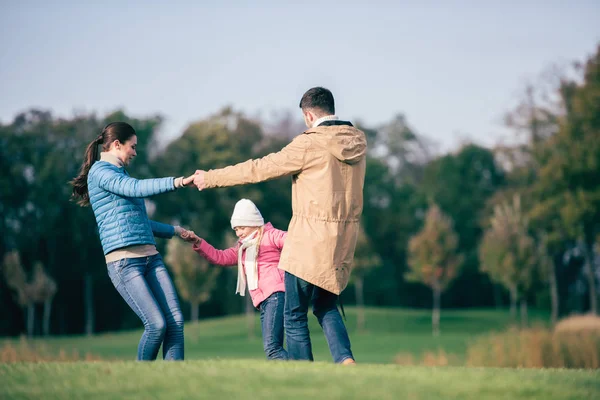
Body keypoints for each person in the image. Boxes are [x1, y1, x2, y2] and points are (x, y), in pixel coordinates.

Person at [193, 87, 366, 364]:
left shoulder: (309, 143)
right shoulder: (356, 143)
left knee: (294, 314)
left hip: (308, 242)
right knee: (325, 306)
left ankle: (302, 374)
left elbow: (260, 168)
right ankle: (346, 361)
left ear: (308, 115)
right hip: (342, 243)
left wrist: (211, 178)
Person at [70, 121, 197, 361]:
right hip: (125, 263)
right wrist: (178, 181)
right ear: (117, 145)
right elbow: (136, 188)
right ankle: (139, 379)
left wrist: (176, 231)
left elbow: (139, 223)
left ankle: (177, 384)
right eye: (133, 147)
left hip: (151, 259)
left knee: (176, 322)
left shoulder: (120, 174)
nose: (135, 153)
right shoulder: (101, 173)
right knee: (156, 325)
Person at [189, 198, 288, 360]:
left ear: (254, 223)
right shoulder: (242, 248)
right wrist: (198, 242)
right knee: (273, 347)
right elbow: (219, 257)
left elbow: (294, 241)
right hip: (264, 301)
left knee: (272, 348)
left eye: (242, 227)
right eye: (236, 229)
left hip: (276, 294)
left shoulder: (270, 236)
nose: (238, 233)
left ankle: (293, 374)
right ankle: (297, 370)